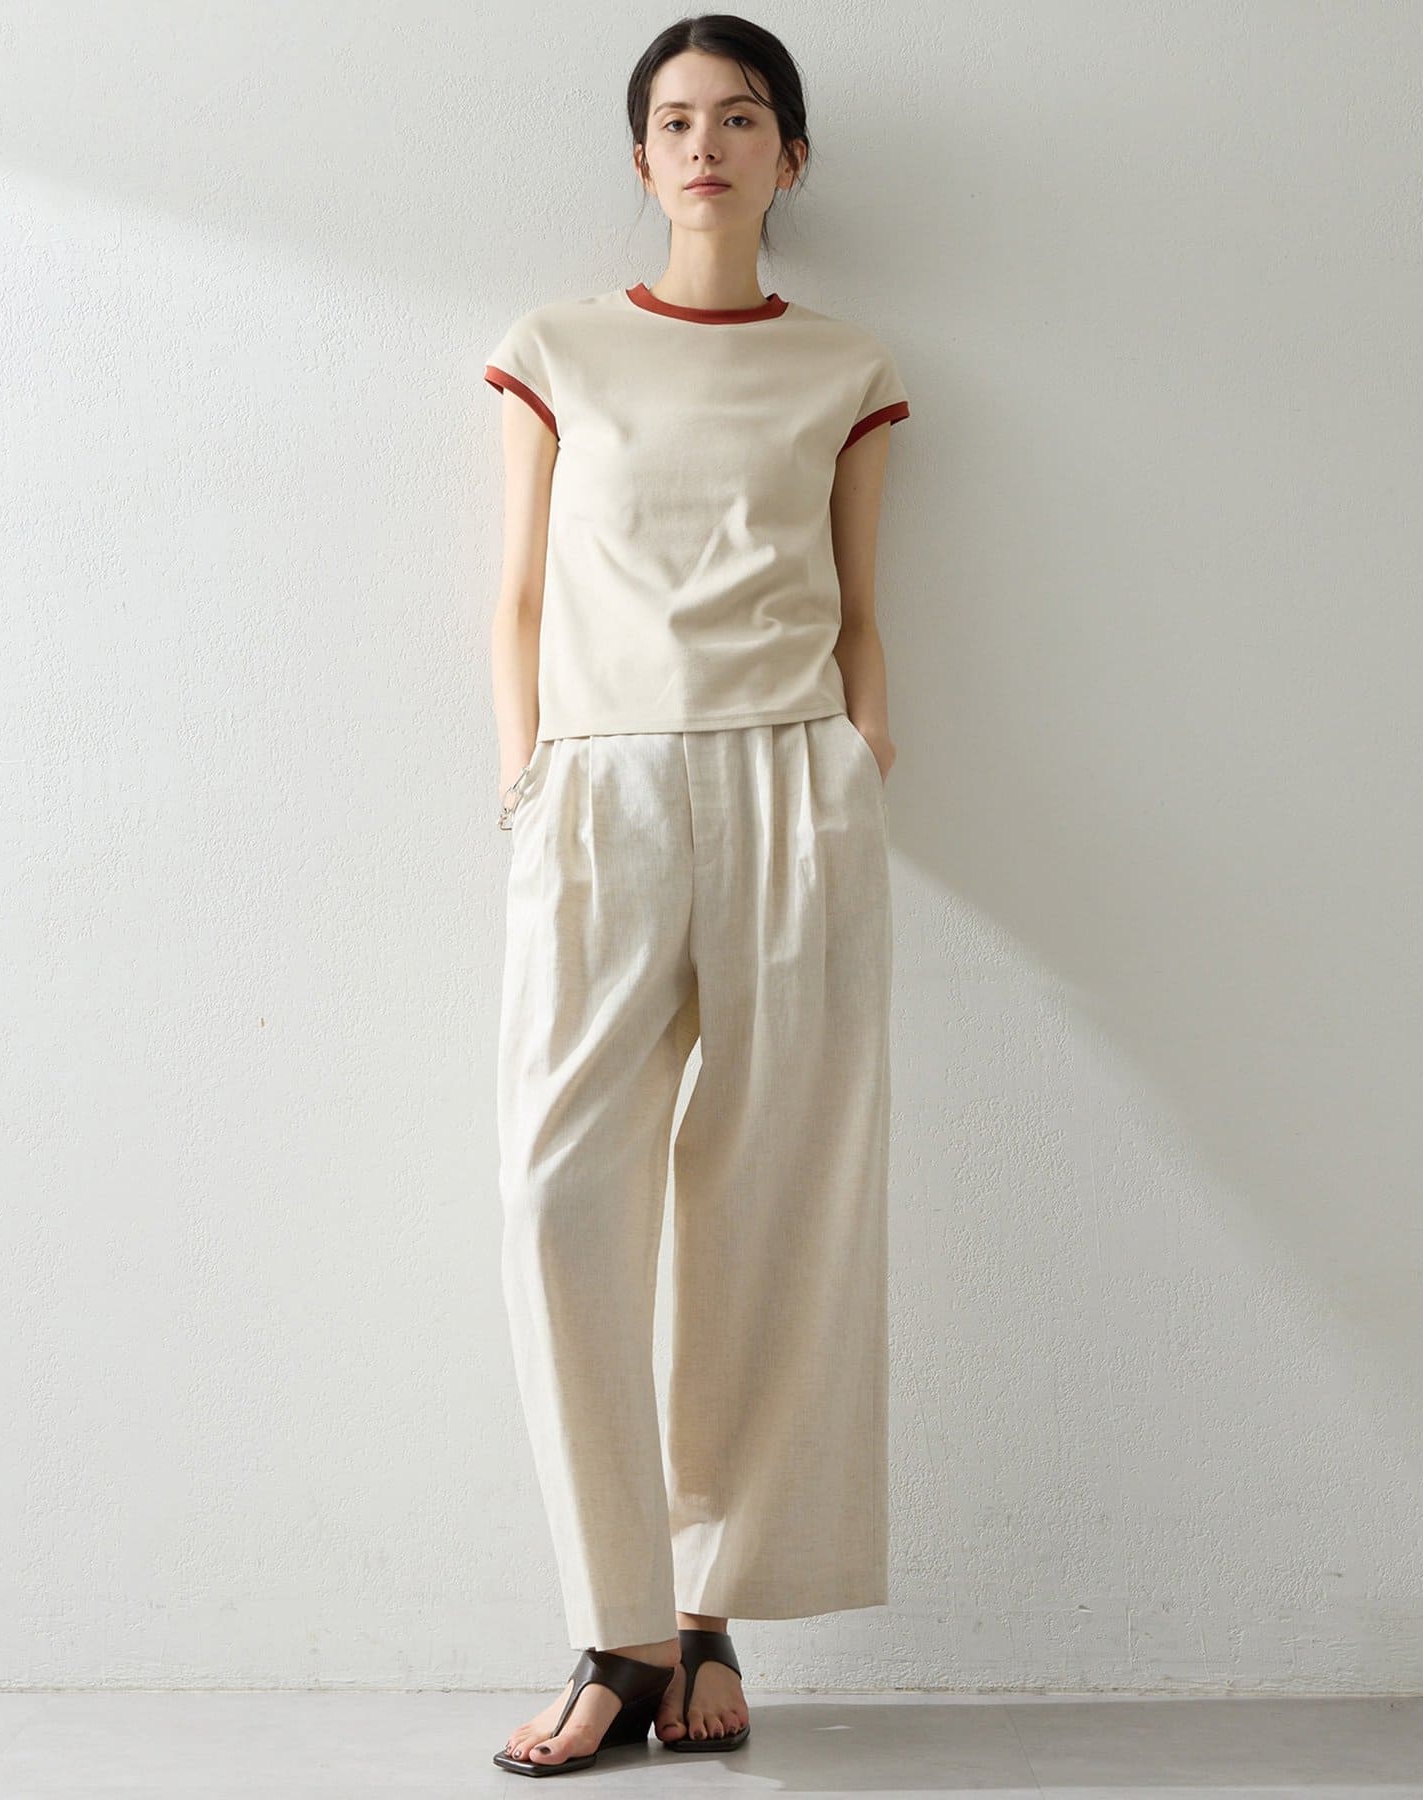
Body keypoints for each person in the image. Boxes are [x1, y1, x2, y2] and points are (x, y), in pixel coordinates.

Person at [485, 14, 909, 1777]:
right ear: (641, 156)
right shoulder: (556, 350)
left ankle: (708, 1612)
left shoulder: (846, 366)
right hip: (600, 789)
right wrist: (528, 778)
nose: (707, 145)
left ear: (791, 155)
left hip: (794, 787)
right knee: (558, 1193)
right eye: (675, 120)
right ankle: (620, 1625)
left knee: (769, 1203)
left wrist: (863, 759)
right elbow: (519, 594)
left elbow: (864, 601)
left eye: (742, 118)